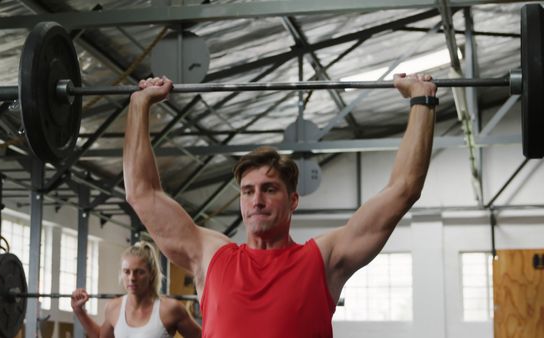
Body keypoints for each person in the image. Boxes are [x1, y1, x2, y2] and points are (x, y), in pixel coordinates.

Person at [123, 73, 437, 337]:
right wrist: (140, 105)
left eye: (269, 189)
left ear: (293, 200)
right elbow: (141, 193)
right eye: (247, 191)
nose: (256, 200)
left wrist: (421, 101)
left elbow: (403, 189)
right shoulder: (210, 256)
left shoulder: (322, 260)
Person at [70, 241, 202, 338]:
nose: (132, 278)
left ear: (151, 274)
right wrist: (79, 311)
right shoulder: (113, 307)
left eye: (139, 272)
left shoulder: (170, 309)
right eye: (127, 272)